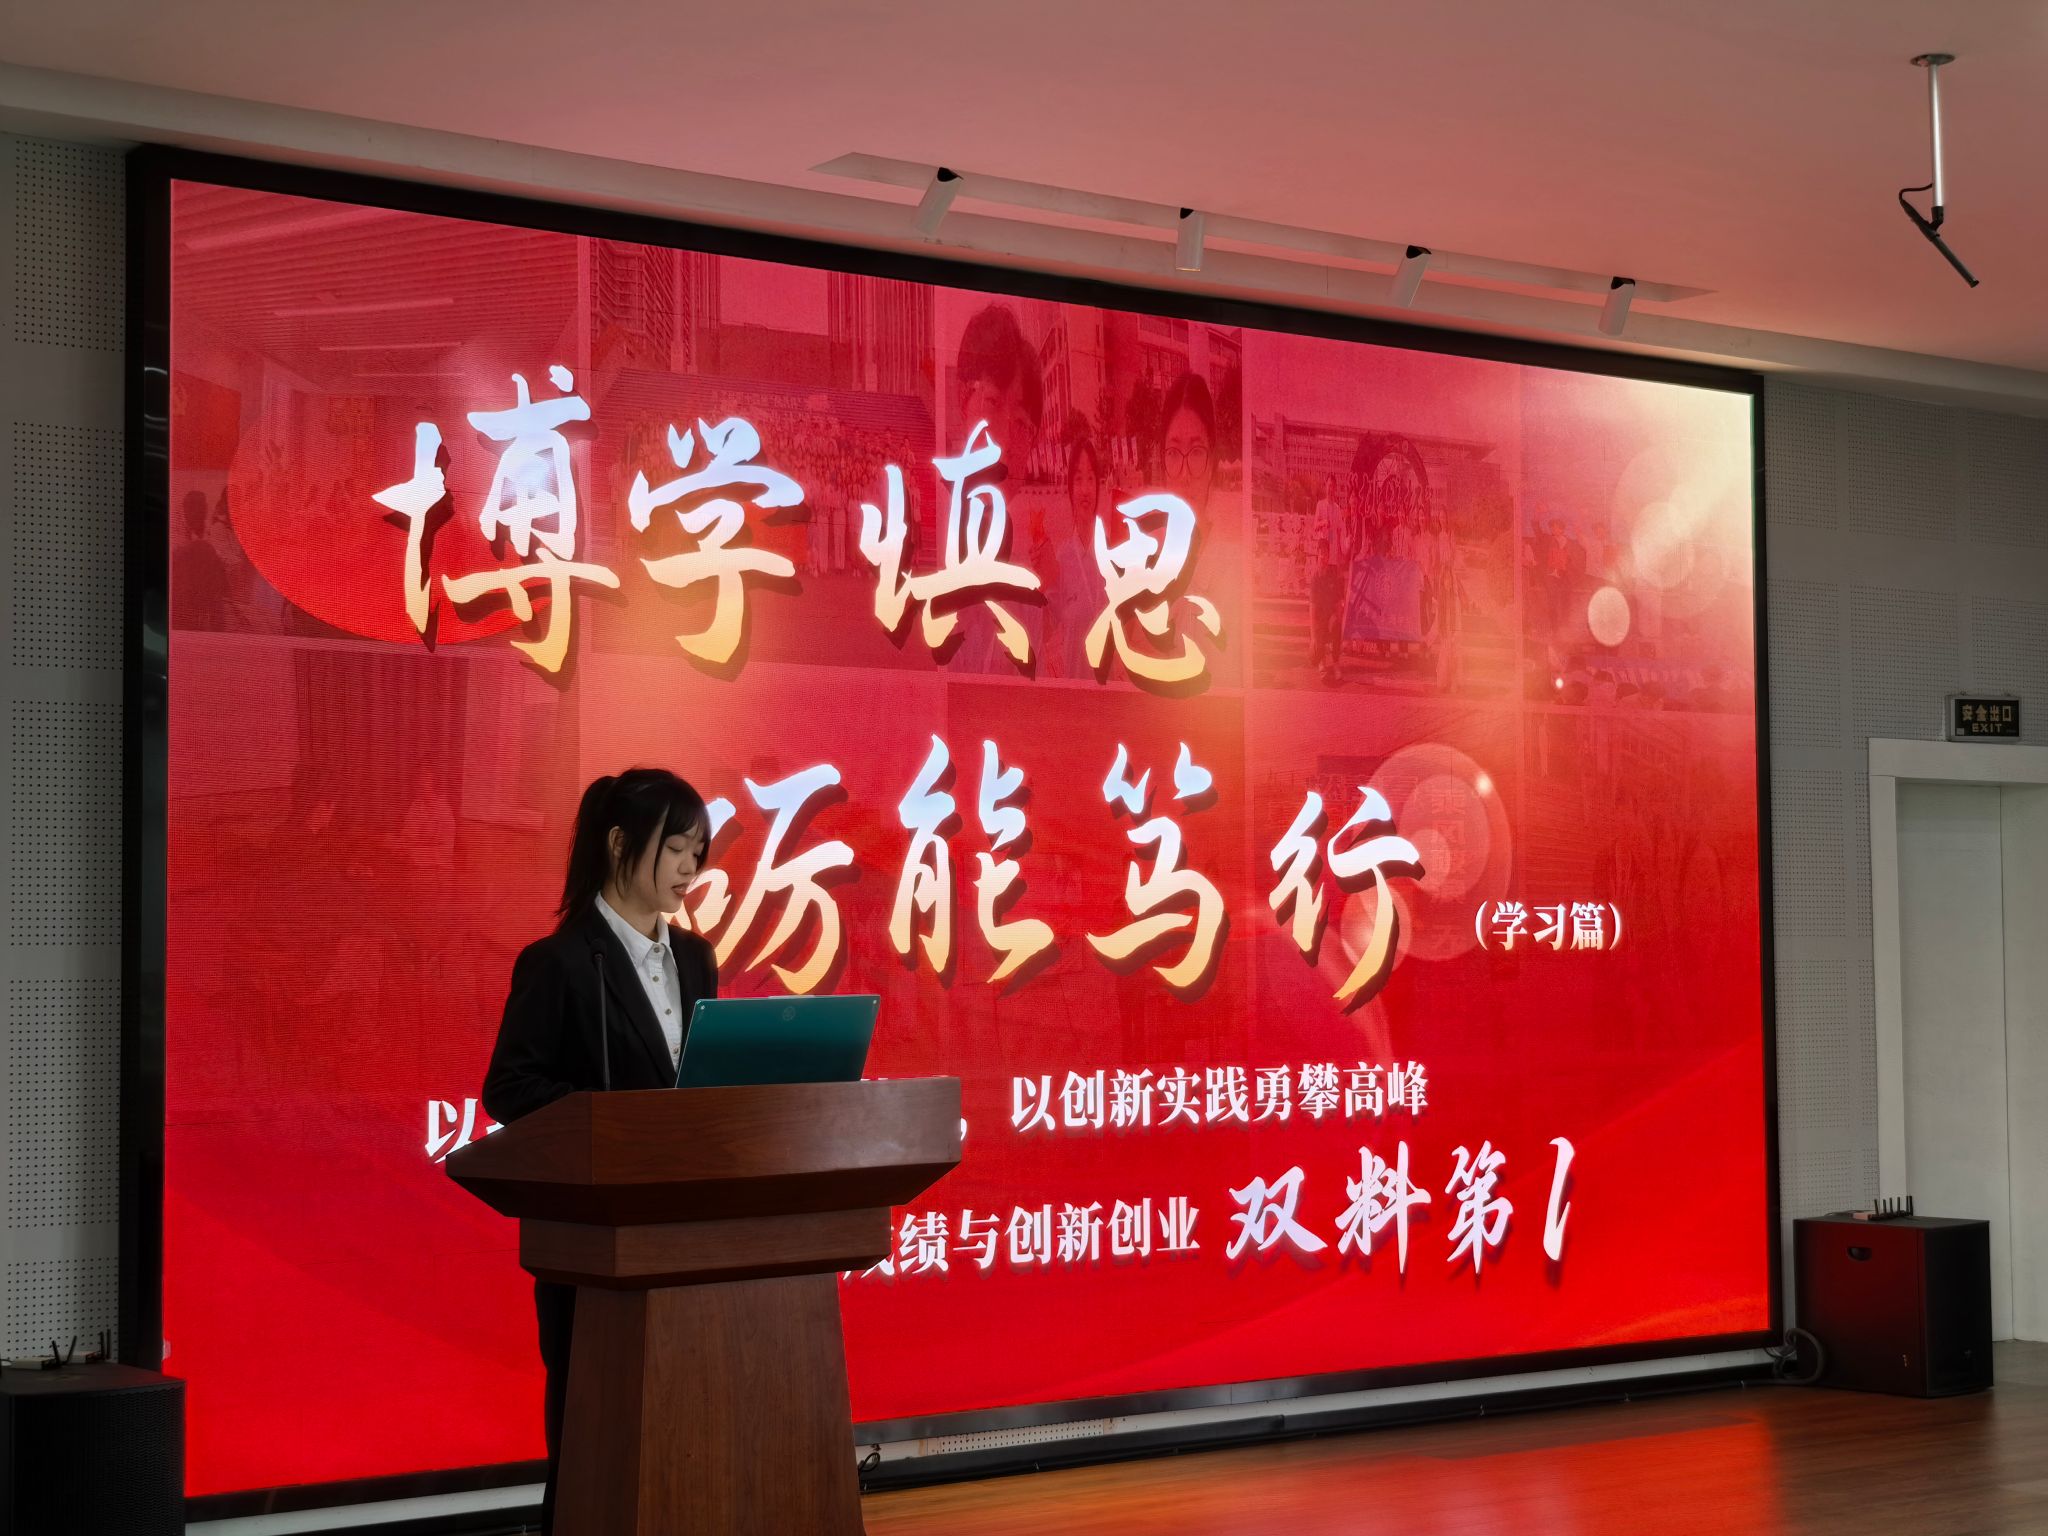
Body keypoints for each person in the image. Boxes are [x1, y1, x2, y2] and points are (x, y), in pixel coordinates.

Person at [481, 768, 718, 1536]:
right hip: (594, 1243)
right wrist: (605, 1123)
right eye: (676, 848)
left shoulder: (696, 959)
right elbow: (510, 1089)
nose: (690, 867)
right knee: (597, 1440)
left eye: (698, 851)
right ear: (620, 844)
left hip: (686, 1234)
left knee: (685, 1435)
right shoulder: (559, 962)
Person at [1307, 474, 1350, 683]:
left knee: (1334, 609)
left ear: (1336, 489)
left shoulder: (1338, 509)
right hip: (1323, 559)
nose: (1331, 489)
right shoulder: (1321, 505)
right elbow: (1314, 526)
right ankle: (1320, 656)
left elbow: (1341, 534)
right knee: (1321, 610)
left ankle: (1335, 660)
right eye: (1329, 486)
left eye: (1334, 486)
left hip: (1333, 562)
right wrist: (1325, 522)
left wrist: (1344, 550)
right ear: (1326, 487)